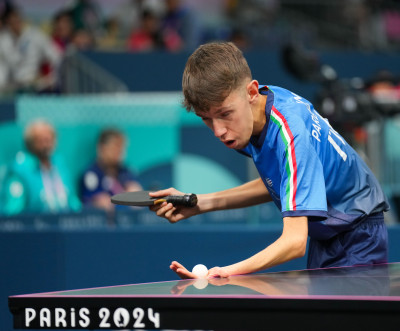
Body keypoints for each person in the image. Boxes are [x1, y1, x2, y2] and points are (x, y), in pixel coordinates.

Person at [149, 41, 390, 279]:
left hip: (358, 234)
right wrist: (198, 203)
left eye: (224, 114)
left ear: (252, 92)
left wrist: (226, 272)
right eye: (207, 119)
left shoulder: (290, 135)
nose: (218, 131)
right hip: (327, 236)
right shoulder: (256, 107)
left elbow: (295, 242)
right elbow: (285, 179)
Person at [0, 120, 81, 215]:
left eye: (49, 140)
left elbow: (73, 201)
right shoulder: (19, 170)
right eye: (41, 140)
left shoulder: (60, 165)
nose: (46, 145)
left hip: (67, 224)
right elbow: (13, 212)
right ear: (30, 143)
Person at [0, 6, 61, 94]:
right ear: (8, 23)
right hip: (13, 88)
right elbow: (3, 67)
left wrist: (52, 78)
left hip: (34, 87)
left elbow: (57, 57)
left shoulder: (35, 35)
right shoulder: (4, 40)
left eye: (17, 20)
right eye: (12, 22)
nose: (16, 24)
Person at [80, 128, 142, 212]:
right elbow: (97, 202)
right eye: (115, 147)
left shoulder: (126, 171)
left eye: (122, 147)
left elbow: (137, 196)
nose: (119, 152)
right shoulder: (92, 174)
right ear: (101, 148)